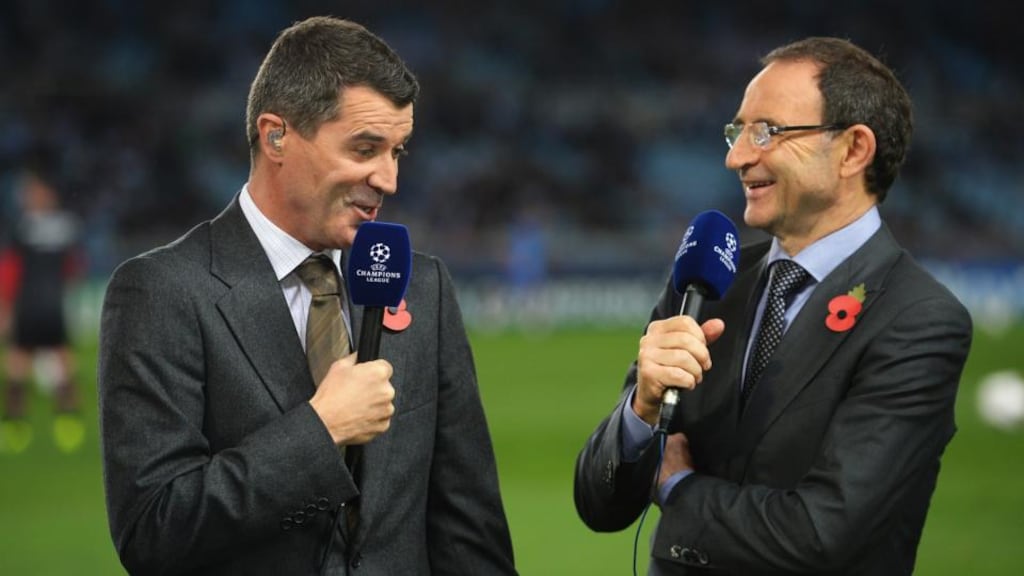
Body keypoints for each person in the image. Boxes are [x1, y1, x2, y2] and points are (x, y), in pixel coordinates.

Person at [99, 16, 516, 576]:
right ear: (277, 137)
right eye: (365, 147)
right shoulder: (163, 291)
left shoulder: (422, 284)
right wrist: (321, 431)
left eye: (398, 152)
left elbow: (469, 531)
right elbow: (152, 530)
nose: (388, 178)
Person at [574, 37, 972, 575]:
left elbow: (821, 533)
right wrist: (640, 414)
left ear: (854, 149)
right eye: (737, 130)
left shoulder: (918, 319)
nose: (737, 156)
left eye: (768, 131)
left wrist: (677, 486)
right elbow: (600, 506)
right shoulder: (708, 282)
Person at [1, 157, 84, 454]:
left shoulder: (22, 227)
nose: (28, 196)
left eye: (32, 191)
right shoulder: (67, 225)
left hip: (31, 303)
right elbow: (73, 269)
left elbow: (11, 269)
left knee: (21, 364)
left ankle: (16, 426)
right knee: (53, 363)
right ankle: (67, 424)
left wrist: (6, 307)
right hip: (51, 304)